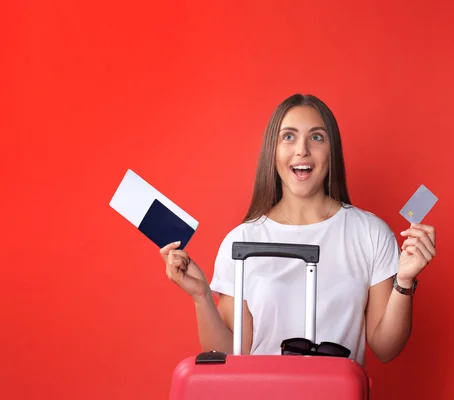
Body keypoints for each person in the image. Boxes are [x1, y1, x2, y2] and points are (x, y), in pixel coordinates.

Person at [159, 93, 436, 366]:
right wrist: (201, 296)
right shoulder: (242, 240)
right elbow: (231, 353)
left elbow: (386, 348)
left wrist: (405, 281)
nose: (302, 149)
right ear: (273, 151)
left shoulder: (370, 233)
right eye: (288, 137)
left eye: (316, 137)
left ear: (332, 151)